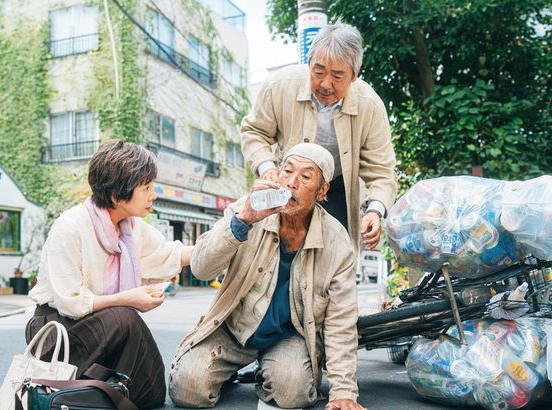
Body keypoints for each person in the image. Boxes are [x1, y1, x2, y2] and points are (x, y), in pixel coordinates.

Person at [169, 143, 366, 410]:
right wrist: (242, 221)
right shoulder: (247, 210)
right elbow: (202, 268)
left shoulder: (337, 241)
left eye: (306, 177)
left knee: (292, 393)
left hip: (289, 336)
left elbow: (341, 321)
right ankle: (233, 371)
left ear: (322, 191)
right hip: (234, 329)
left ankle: (269, 371)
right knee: (188, 390)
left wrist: (344, 393)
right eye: (287, 171)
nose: (292, 182)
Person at [27, 140, 193, 409]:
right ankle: (85, 394)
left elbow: (169, 254)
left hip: (105, 325)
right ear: (117, 196)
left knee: (151, 393)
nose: (153, 194)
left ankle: (94, 395)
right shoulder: (70, 226)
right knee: (125, 317)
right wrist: (129, 298)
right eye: (146, 188)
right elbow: (70, 302)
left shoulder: (130, 227)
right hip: (57, 329)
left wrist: (233, 235)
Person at [241, 23, 397, 254]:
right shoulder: (280, 84)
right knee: (273, 250)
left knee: (335, 253)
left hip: (336, 186)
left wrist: (375, 210)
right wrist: (267, 168)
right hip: (286, 182)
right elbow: (254, 131)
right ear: (309, 63)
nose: (325, 84)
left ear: (354, 75)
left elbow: (382, 170)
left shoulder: (370, 105)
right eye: (318, 71)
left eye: (337, 75)